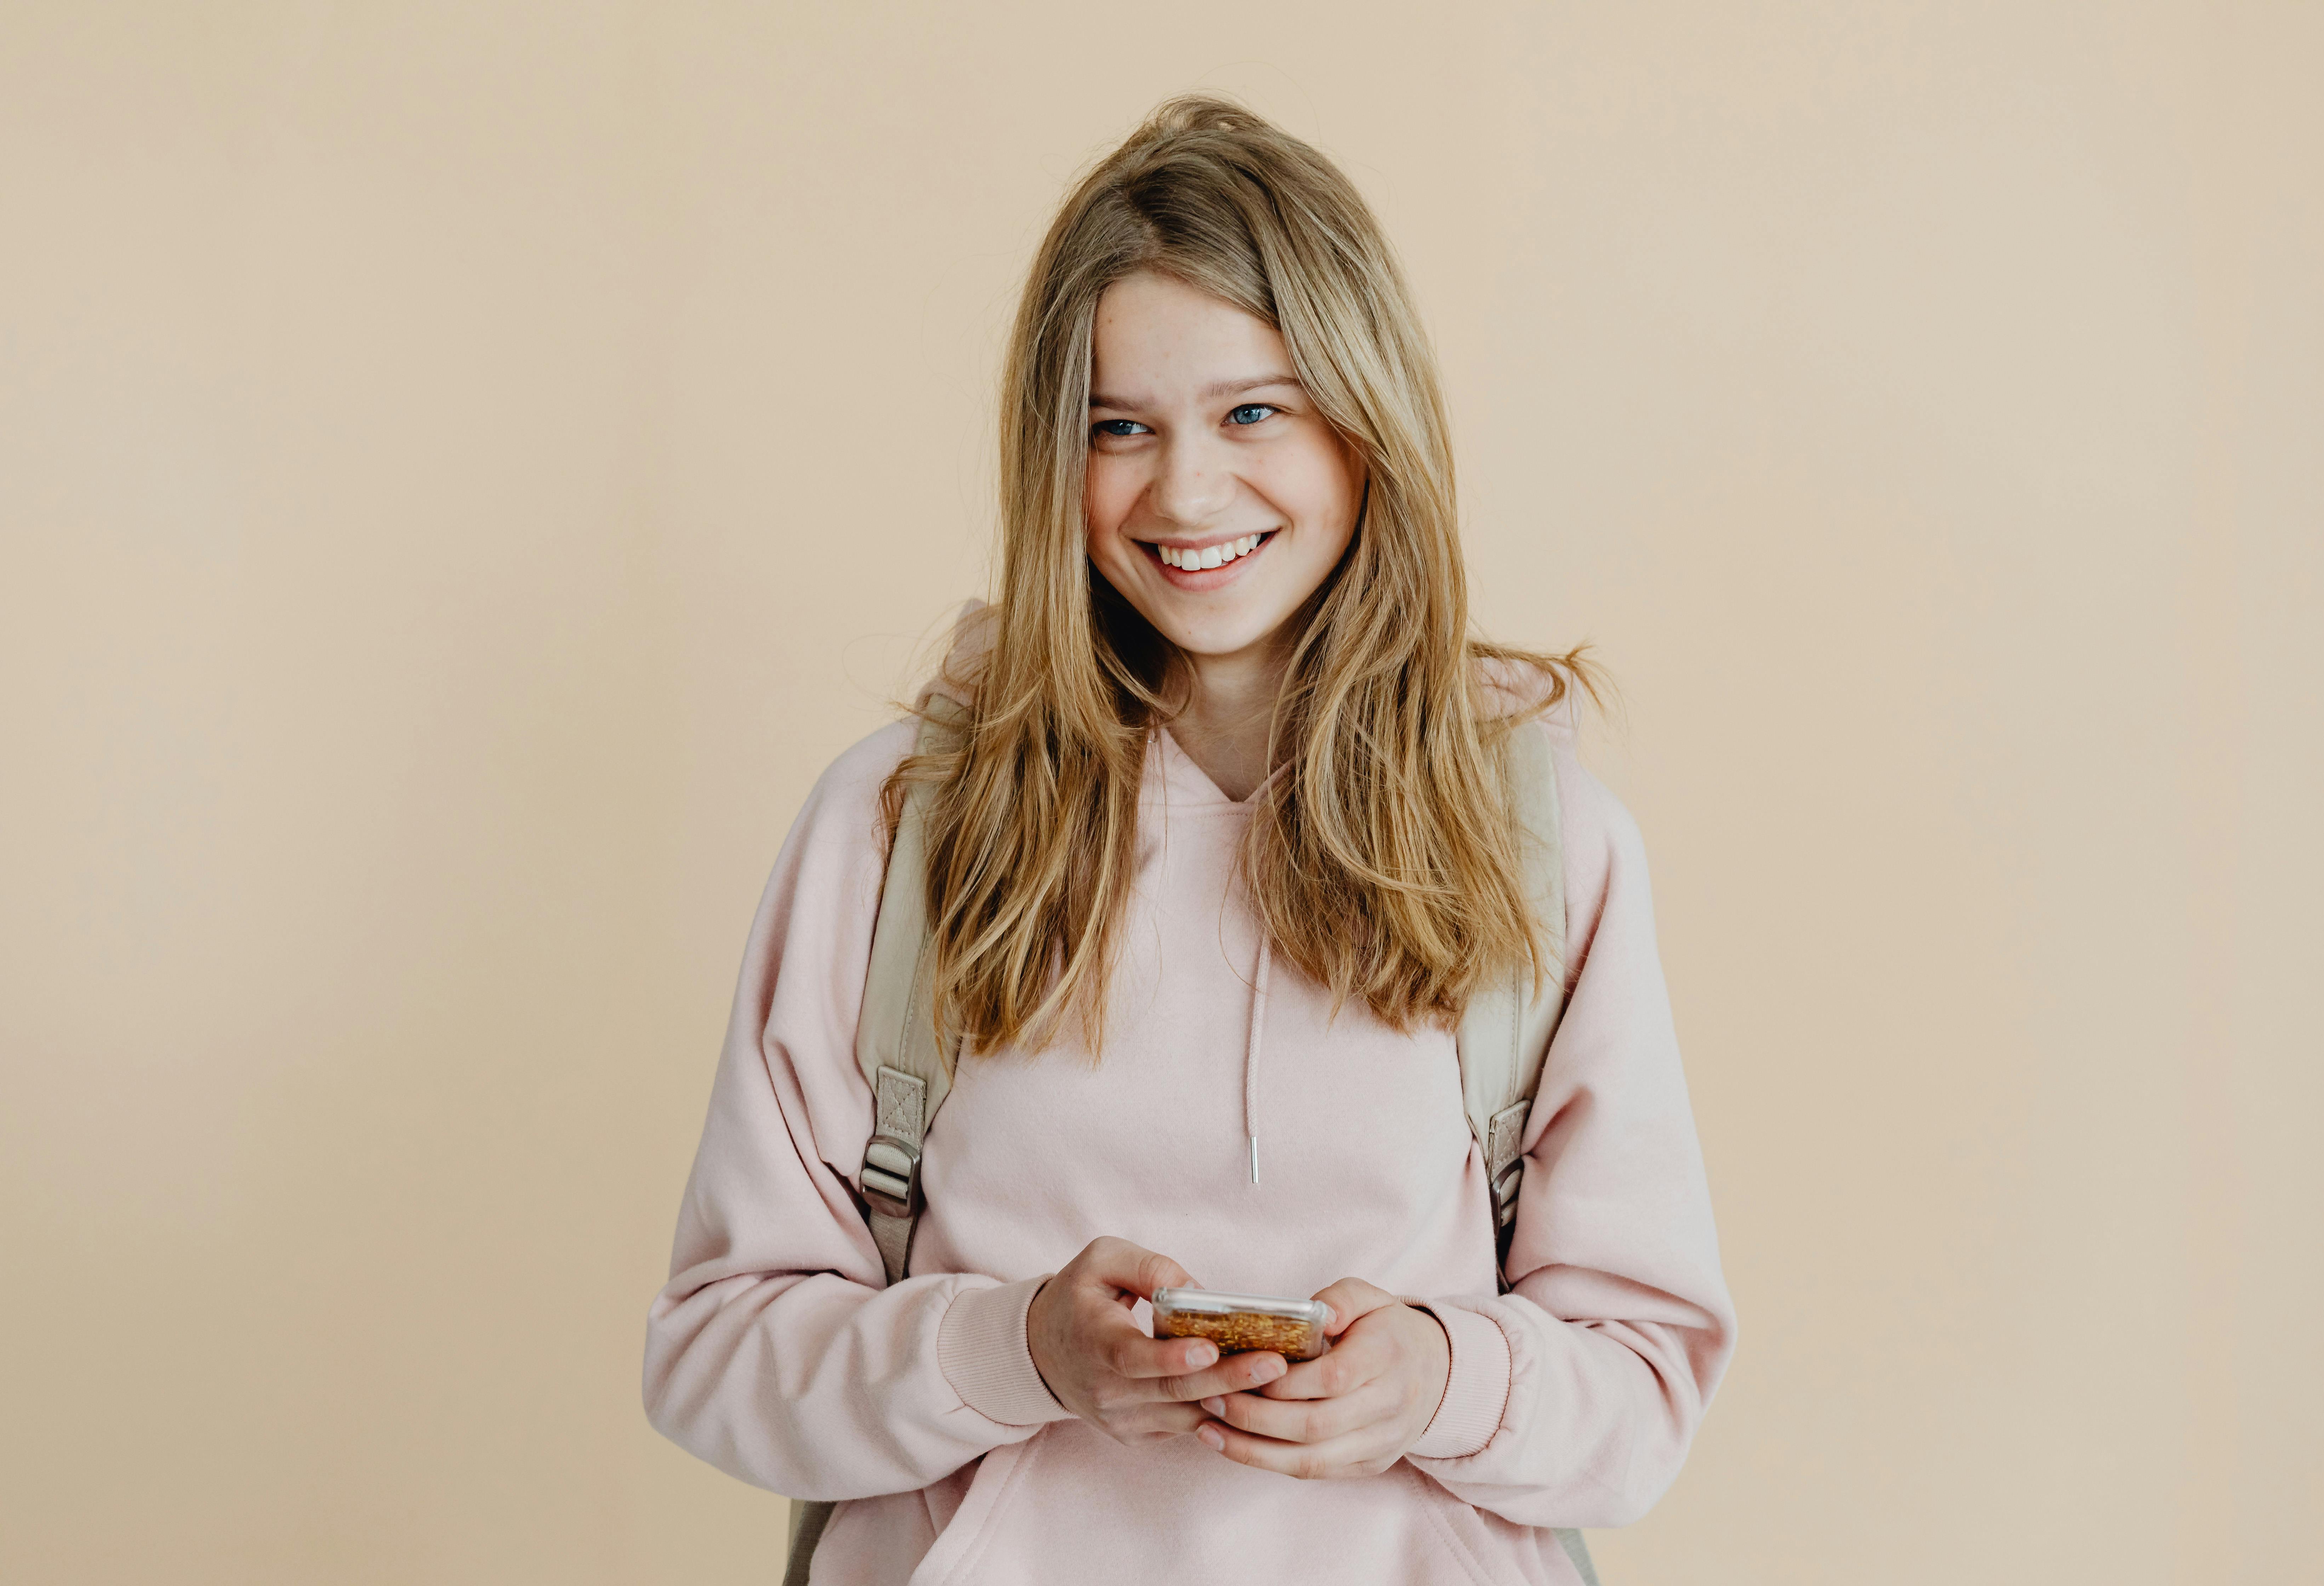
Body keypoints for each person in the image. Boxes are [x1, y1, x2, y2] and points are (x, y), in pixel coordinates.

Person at [642, 96, 1735, 1585]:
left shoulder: (1545, 851)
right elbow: (714, 1353)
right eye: (1119, 428)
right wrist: (1013, 1345)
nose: (1187, 491)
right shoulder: (899, 828)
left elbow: (1647, 1385)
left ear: (1367, 424)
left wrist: (1437, 1378)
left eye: (1253, 412)